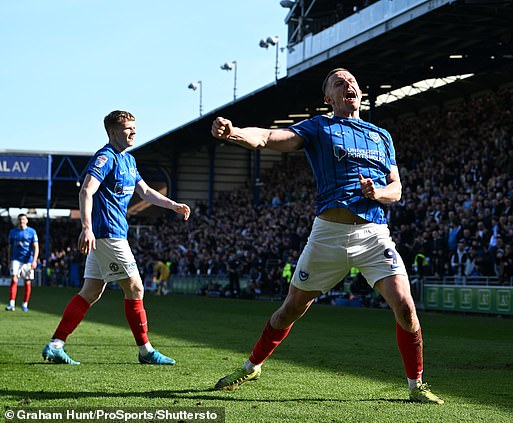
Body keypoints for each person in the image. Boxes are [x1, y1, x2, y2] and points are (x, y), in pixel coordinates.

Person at [210, 68, 443, 404]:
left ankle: (416, 385)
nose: (347, 84)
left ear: (359, 93)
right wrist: (234, 133)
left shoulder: (382, 136)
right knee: (290, 310)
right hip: (328, 235)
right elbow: (268, 138)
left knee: (406, 306)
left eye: (352, 81)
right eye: (338, 82)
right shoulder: (319, 127)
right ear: (328, 99)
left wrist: (377, 193)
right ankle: (252, 365)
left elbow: (397, 189)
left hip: (373, 233)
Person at [41, 110, 190, 365]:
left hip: (110, 235)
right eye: (127, 128)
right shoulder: (105, 158)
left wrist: (172, 204)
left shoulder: (129, 160)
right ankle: (146, 351)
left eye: (135, 127)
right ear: (112, 132)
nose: (134, 132)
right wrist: (86, 227)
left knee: (90, 291)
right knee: (135, 288)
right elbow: (87, 191)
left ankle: (56, 345)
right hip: (108, 234)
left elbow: (145, 191)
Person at [5, 214, 39, 312]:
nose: (21, 221)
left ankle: (25, 304)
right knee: (14, 278)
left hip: (28, 260)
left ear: (27, 221)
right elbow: (10, 247)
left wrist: (34, 260)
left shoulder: (32, 232)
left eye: (23, 219)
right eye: (20, 219)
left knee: (27, 281)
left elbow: (36, 247)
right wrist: (9, 260)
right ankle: (11, 303)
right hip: (16, 259)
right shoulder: (13, 232)